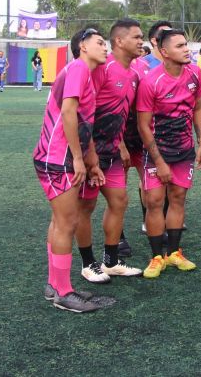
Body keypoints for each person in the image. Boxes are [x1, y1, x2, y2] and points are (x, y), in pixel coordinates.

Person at [33, 28, 112, 312]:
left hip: (58, 158)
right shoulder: (78, 68)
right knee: (67, 223)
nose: (106, 48)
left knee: (59, 222)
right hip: (57, 159)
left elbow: (83, 125)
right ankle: (63, 293)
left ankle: (55, 285)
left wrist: (90, 161)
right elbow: (68, 112)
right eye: (100, 43)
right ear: (82, 46)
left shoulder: (82, 73)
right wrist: (78, 158)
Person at [75, 20, 146, 284]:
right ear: (119, 41)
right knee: (86, 207)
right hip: (90, 153)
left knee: (119, 201)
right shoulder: (102, 70)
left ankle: (111, 261)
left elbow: (122, 116)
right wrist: (88, 155)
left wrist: (122, 145)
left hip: (113, 153)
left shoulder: (134, 74)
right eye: (136, 37)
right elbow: (83, 112)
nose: (141, 42)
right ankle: (86, 263)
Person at [136, 29, 201, 278]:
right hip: (158, 153)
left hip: (184, 150)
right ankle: (156, 257)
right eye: (180, 46)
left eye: (186, 44)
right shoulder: (150, 81)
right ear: (164, 52)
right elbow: (143, 125)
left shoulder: (195, 73)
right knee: (154, 201)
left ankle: (174, 253)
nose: (187, 49)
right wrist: (159, 161)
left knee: (178, 199)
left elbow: (198, 107)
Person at [124, 20, 173, 247]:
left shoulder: (178, 65)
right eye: (164, 34)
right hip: (132, 132)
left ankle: (154, 221)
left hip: (162, 135)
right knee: (119, 187)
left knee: (157, 181)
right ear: (154, 40)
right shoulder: (139, 65)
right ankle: (119, 237)